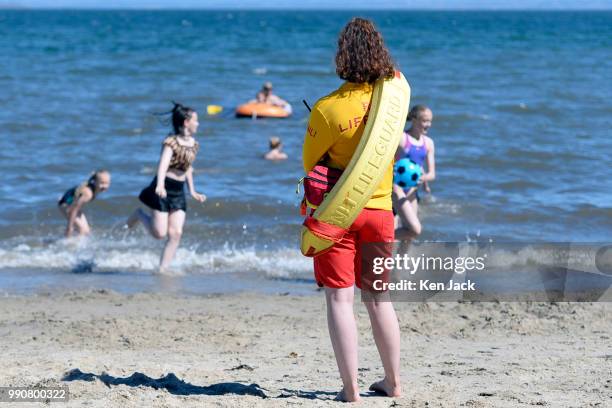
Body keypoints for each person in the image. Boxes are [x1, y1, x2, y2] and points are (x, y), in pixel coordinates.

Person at [302, 18, 402, 402]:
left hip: (338, 212)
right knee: (379, 298)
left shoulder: (327, 109)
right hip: (380, 211)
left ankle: (352, 390)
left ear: (342, 56)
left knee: (340, 299)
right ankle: (393, 383)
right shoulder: (391, 102)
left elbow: (310, 166)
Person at [127, 102, 206, 272]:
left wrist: (192, 190)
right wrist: (160, 185)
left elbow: (188, 168)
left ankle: (163, 269)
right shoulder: (171, 142)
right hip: (163, 188)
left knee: (176, 233)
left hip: (179, 192)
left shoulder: (194, 144)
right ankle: (139, 214)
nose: (198, 124)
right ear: (186, 122)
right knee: (159, 234)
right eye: (196, 120)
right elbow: (162, 165)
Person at [393, 105, 436, 238]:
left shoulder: (428, 143)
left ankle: (401, 259)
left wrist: (423, 180)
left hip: (412, 191)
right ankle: (382, 240)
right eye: (425, 121)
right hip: (396, 189)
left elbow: (431, 174)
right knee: (414, 229)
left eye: (430, 121)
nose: (428, 124)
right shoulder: (401, 138)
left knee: (409, 235)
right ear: (414, 119)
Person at [58, 170, 111, 238]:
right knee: (82, 230)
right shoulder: (88, 193)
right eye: (102, 183)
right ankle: (70, 244)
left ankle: (67, 241)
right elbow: (73, 209)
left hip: (71, 205)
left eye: (107, 183)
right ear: (95, 182)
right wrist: (69, 227)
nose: (104, 186)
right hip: (65, 205)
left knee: (86, 231)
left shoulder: (93, 189)